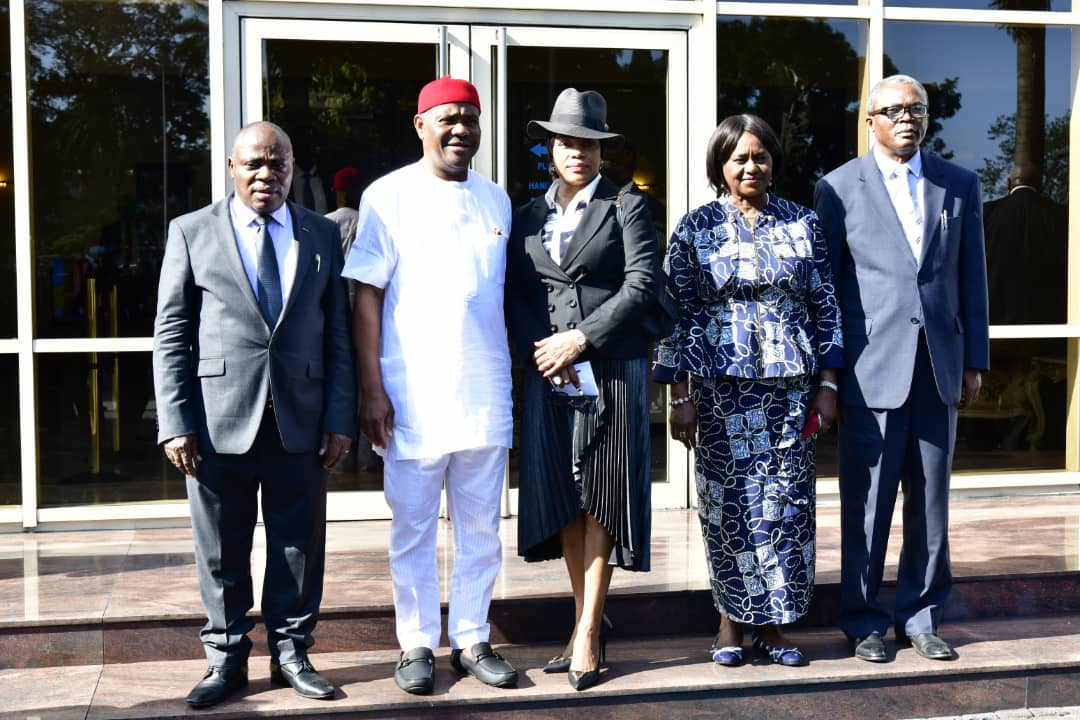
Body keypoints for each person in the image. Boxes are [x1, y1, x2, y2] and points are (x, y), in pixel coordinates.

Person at [153, 121, 356, 708]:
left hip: (302, 416)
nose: (267, 174)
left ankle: (292, 652)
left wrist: (339, 418)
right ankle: (226, 659)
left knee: (299, 544)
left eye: (279, 163)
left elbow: (337, 334)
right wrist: (175, 420)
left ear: (292, 168)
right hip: (216, 422)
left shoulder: (319, 234)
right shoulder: (192, 232)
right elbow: (172, 333)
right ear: (232, 168)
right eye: (255, 164)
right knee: (221, 548)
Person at [343, 76, 518, 696]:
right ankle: (415, 642)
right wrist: (371, 388)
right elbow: (366, 294)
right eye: (447, 118)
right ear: (420, 125)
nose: (460, 129)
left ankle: (472, 636)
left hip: (485, 391)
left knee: (481, 528)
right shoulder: (387, 196)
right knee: (412, 528)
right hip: (411, 391)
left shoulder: (497, 200)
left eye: (470, 118)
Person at [653, 113, 842, 668]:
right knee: (728, 508)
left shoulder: (803, 223)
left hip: (789, 392)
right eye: (739, 158)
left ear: (773, 163)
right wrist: (679, 397)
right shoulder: (695, 227)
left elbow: (826, 306)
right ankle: (730, 623)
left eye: (760, 156)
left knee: (784, 509)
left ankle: (775, 627)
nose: (751, 166)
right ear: (721, 166)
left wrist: (828, 384)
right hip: (718, 393)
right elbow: (674, 314)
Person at [814, 74, 989, 663]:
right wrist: (829, 378)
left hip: (938, 367)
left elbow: (973, 279)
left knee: (931, 503)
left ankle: (921, 614)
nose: (907, 118)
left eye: (917, 109)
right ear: (870, 122)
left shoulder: (959, 184)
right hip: (871, 371)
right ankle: (863, 619)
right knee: (868, 503)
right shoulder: (838, 188)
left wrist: (974, 361)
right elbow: (828, 292)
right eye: (893, 110)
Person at [506, 87, 660, 692]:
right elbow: (515, 295)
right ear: (551, 147)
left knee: (601, 493)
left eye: (590, 143)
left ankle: (591, 632)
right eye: (568, 141)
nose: (579, 152)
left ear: (603, 149)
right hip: (549, 372)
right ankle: (580, 623)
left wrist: (581, 339)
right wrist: (545, 349)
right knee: (565, 495)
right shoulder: (527, 215)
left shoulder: (627, 204)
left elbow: (643, 285)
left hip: (612, 369)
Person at [983, 161, 1067, 325]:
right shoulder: (1058, 214)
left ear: (1009, 184)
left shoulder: (987, 213)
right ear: (1041, 186)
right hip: (1046, 317)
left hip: (995, 318)